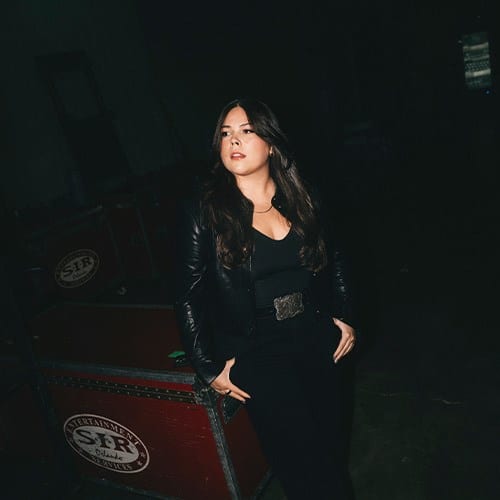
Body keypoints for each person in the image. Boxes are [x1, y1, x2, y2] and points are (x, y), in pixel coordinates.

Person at [174, 97, 357, 500]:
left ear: (271, 144)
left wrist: (344, 315)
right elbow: (188, 295)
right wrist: (207, 367)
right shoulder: (205, 211)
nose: (233, 141)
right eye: (226, 133)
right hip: (257, 352)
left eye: (246, 131)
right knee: (302, 459)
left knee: (330, 447)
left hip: (316, 338)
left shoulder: (303, 197)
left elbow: (337, 257)